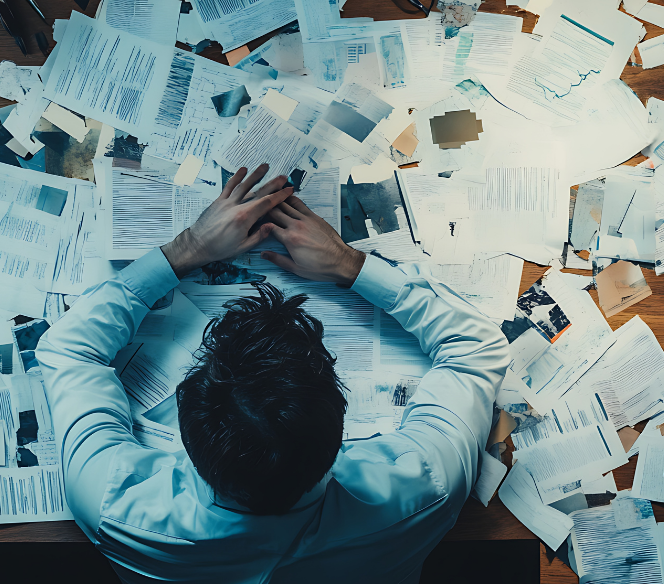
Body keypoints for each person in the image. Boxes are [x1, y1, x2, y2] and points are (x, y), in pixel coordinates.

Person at [36, 164, 510, 583]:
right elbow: (477, 347)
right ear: (341, 429)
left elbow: (69, 349)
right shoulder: (425, 490)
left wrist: (190, 247)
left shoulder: (112, 506)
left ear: (186, 426)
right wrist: (349, 264)